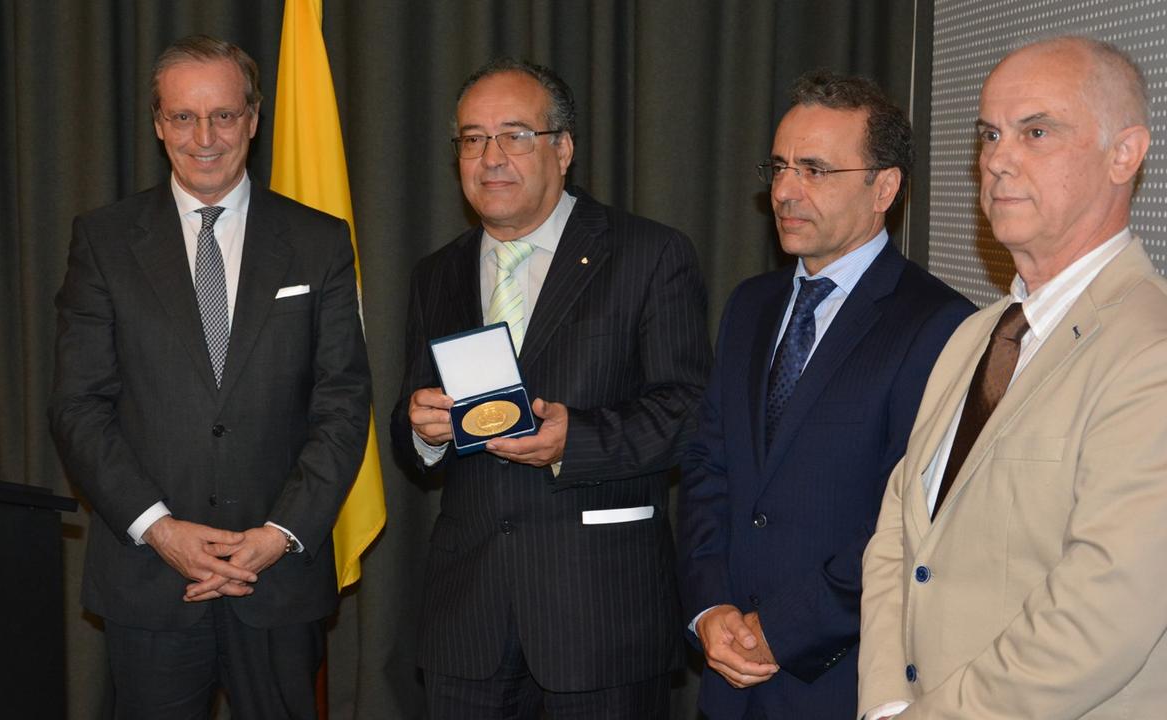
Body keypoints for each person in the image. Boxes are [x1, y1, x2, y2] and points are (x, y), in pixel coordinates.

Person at [48, 35, 371, 718]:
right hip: (149, 578)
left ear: (254, 118)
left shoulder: (319, 241)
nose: (205, 136)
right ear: (159, 123)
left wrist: (277, 535)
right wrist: (162, 530)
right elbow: (79, 406)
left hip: (278, 580)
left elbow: (342, 403)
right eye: (184, 117)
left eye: (223, 115)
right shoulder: (104, 241)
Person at [391, 58, 710, 718]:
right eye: (473, 139)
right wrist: (420, 431)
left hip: (598, 618)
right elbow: (409, 417)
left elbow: (688, 409)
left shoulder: (648, 255)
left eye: (514, 135)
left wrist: (576, 441)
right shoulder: (437, 273)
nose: (491, 158)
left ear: (562, 149)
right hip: (467, 621)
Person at [858, 36, 1165, 719]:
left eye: (1036, 131)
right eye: (990, 134)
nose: (996, 159)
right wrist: (883, 701)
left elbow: (1101, 618)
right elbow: (899, 535)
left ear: (1125, 154)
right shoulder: (977, 334)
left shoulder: (1151, 351)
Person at [677, 70, 973, 719]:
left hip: (838, 684)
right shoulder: (749, 306)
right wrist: (710, 608)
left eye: (814, 170)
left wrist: (781, 631)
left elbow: (910, 523)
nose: (784, 190)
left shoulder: (940, 324)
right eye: (779, 166)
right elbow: (707, 468)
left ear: (884, 187)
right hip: (726, 678)